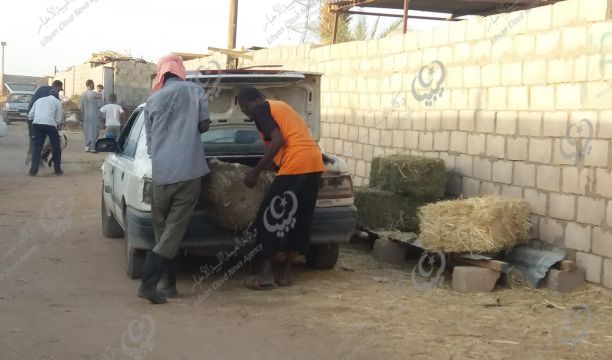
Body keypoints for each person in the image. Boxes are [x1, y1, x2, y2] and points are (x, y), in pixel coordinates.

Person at [138, 54, 210, 304]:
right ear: (180, 71)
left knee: (164, 234)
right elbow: (204, 126)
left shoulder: (152, 100)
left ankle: (168, 285)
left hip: (161, 175)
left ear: (161, 74)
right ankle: (148, 284)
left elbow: (150, 142)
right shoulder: (195, 91)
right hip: (189, 173)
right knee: (173, 234)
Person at [237, 86, 325, 290]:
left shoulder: (261, 109)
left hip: (297, 163)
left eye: (243, 108)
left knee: (268, 217)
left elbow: (278, 140)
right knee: (300, 218)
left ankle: (266, 274)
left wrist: (255, 172)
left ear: (249, 102)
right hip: (314, 162)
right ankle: (284, 274)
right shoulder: (280, 107)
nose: (245, 112)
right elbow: (283, 145)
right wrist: (268, 167)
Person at [26, 80, 63, 165]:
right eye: (59, 90)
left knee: (34, 138)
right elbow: (57, 114)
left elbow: (33, 103)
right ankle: (41, 159)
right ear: (57, 87)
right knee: (50, 140)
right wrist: (58, 125)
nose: (59, 92)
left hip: (32, 117)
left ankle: (30, 159)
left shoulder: (41, 88)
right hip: (46, 121)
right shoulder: (54, 94)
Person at [81, 80, 102, 152]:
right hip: (94, 115)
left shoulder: (83, 94)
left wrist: (82, 116)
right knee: (94, 130)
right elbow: (100, 104)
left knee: (87, 130)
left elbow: (81, 106)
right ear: (90, 84)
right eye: (93, 84)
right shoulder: (95, 94)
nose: (94, 85)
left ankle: (87, 146)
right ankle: (93, 147)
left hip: (86, 116)